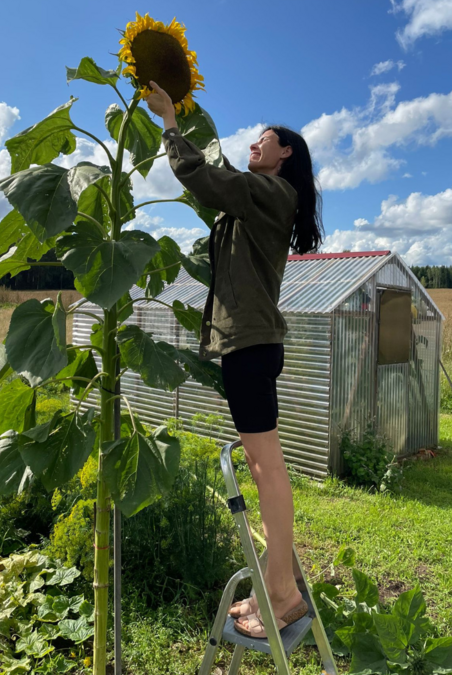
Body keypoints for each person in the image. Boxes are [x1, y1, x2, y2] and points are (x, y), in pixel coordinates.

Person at [144, 80, 324, 638]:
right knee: (258, 463)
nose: (255, 144)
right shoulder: (259, 198)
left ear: (285, 153)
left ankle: (283, 594)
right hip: (245, 344)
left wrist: (171, 123)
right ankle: (279, 575)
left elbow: (203, 179)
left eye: (265, 140)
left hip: (249, 345)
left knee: (267, 466)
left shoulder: (271, 193)